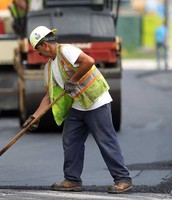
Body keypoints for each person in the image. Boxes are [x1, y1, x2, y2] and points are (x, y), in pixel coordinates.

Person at [23, 26, 132, 194]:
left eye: (38, 51)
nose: (40, 55)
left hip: (96, 101)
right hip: (78, 105)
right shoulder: (49, 68)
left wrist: (73, 80)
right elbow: (49, 96)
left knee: (106, 140)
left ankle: (123, 179)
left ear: (45, 45)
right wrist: (34, 117)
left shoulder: (66, 51)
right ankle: (72, 180)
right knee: (71, 139)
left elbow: (88, 61)